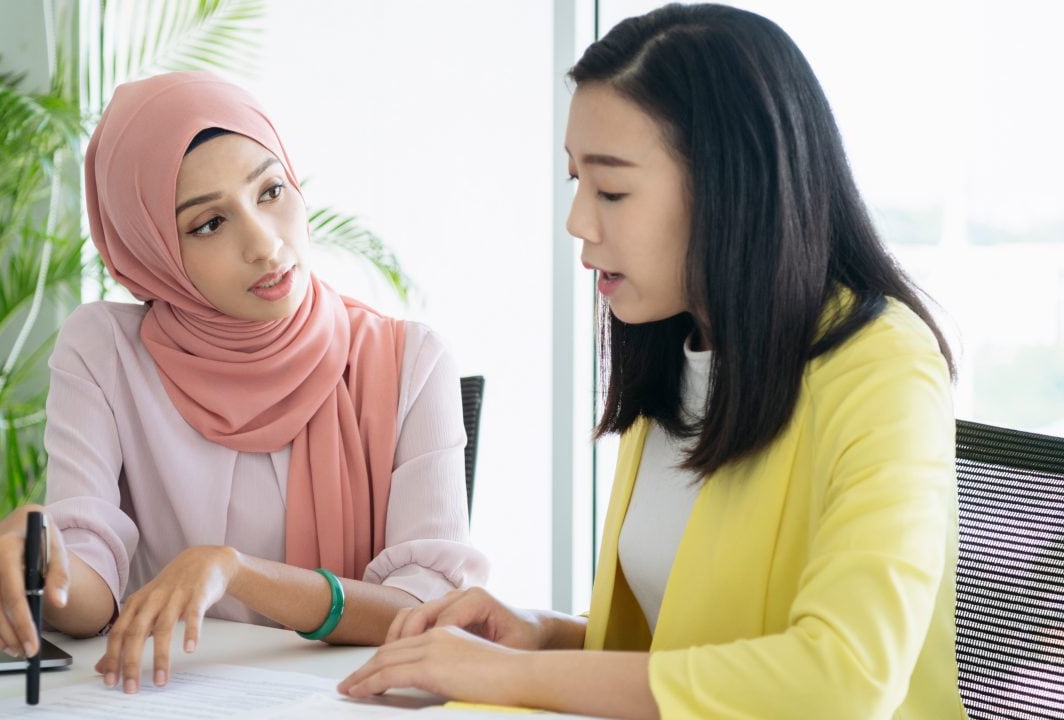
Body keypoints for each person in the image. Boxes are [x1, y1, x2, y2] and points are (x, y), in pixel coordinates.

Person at [338, 4, 965, 718]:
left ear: (735, 187)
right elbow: (697, 654)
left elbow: (840, 680)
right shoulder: (678, 344)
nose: (578, 221)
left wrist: (502, 678)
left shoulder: (884, 370)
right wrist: (542, 637)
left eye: (611, 189)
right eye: (576, 181)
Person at [0, 71, 488, 695]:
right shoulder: (105, 352)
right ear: (152, 253)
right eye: (209, 223)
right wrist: (41, 553)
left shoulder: (410, 361)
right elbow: (91, 594)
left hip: (344, 699)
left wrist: (235, 573)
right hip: (159, 697)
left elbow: (431, 610)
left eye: (271, 190)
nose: (265, 244)